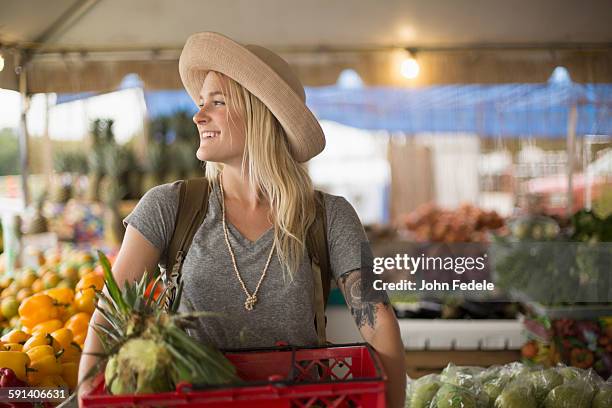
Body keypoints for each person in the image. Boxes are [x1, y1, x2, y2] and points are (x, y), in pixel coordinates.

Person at [78, 32, 406, 407]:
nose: (198, 116)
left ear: (260, 113)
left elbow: (377, 320)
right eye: (202, 103)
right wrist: (87, 393)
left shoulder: (331, 216)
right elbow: (111, 312)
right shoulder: (169, 206)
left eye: (217, 102)